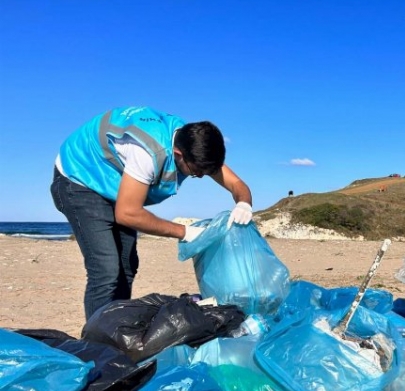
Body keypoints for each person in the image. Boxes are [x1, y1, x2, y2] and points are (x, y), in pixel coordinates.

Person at [50, 106, 254, 320]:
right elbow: (128, 213)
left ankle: (114, 328)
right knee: (106, 270)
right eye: (195, 172)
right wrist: (184, 232)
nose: (200, 177)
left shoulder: (195, 143)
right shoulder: (147, 152)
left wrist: (244, 204)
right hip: (79, 177)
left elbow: (236, 183)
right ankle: (97, 343)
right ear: (178, 155)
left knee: (127, 266)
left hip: (113, 184)